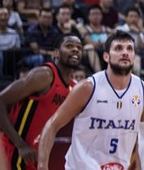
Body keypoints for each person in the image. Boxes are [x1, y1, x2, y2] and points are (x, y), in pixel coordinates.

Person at [37, 31, 144, 170]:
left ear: (134, 56)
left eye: (129, 49)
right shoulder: (87, 88)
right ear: (106, 56)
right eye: (118, 48)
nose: (125, 53)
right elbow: (52, 125)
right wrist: (42, 166)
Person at [0, 34, 82, 169]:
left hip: (34, 154)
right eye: (69, 46)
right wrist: (20, 145)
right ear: (56, 53)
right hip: (13, 148)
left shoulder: (73, 87)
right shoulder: (44, 75)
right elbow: (1, 101)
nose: (75, 50)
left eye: (79, 47)